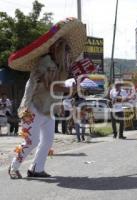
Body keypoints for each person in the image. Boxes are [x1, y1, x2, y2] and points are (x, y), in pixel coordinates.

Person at [8, 18, 86, 179]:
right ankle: (13, 166)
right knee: (32, 142)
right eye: (65, 49)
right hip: (33, 108)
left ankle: (36, 169)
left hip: (48, 109)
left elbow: (61, 89)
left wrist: (74, 87)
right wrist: (71, 88)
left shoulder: (59, 67)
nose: (67, 53)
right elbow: (51, 85)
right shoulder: (46, 62)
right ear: (55, 48)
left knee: (47, 141)